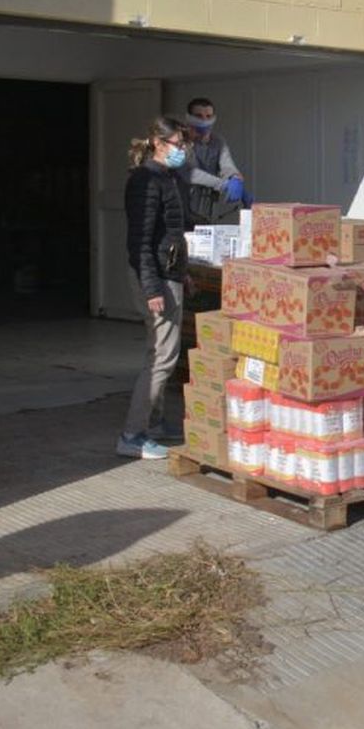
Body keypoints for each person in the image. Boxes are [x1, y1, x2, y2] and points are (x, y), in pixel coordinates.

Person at [121, 116, 193, 460]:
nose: (184, 150)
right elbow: (141, 241)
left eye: (185, 144)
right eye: (179, 144)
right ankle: (132, 434)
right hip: (156, 277)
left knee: (160, 351)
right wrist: (152, 288)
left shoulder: (169, 177)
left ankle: (155, 422)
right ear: (159, 143)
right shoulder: (146, 180)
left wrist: (182, 271)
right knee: (162, 357)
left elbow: (171, 234)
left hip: (169, 273)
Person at [183, 97, 245, 224]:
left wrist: (235, 179)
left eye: (208, 116)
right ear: (189, 118)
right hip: (183, 205)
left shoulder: (218, 141)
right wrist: (224, 185)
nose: (204, 120)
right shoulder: (180, 141)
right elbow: (189, 173)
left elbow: (227, 165)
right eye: (199, 116)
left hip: (207, 208)